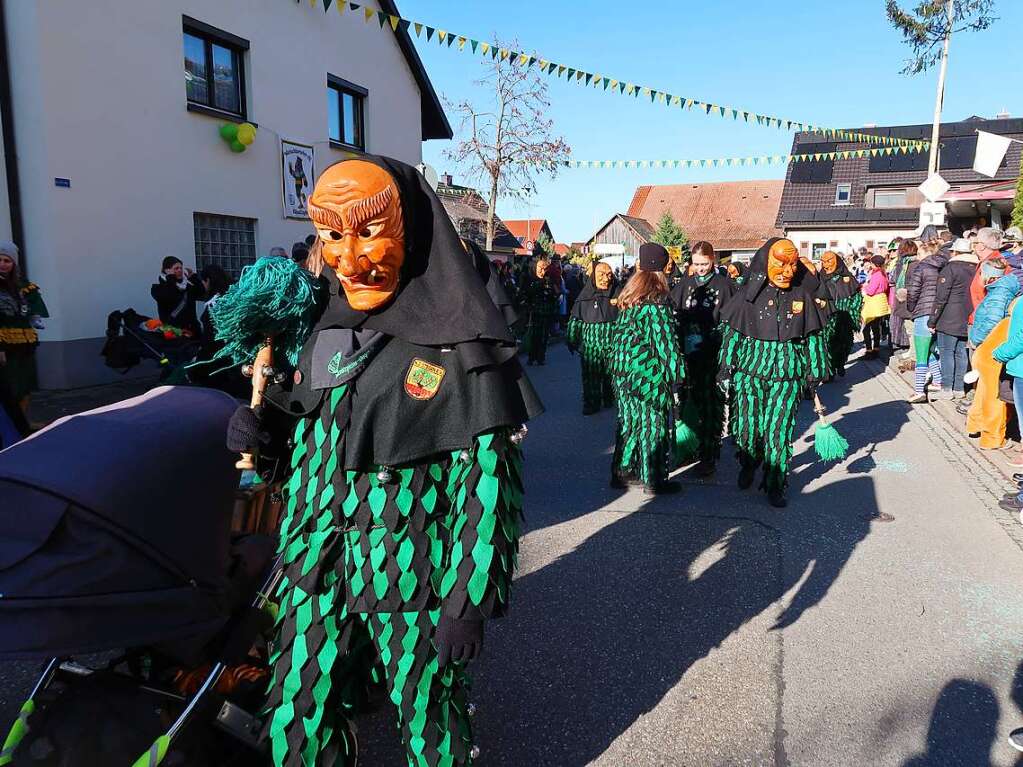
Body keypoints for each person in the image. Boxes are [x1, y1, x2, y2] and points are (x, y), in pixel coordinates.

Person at [229, 156, 543, 767]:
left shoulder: (461, 347)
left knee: (429, 721)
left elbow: (486, 490)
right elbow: (312, 444)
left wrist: (466, 603)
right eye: (330, 234)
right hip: (314, 572)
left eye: (369, 230)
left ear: (413, 231)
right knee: (296, 716)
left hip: (411, 577)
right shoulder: (324, 332)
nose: (348, 259)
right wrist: (268, 435)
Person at [719, 238, 830, 508]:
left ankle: (775, 483)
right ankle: (748, 461)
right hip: (750, 374)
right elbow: (733, 336)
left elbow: (813, 337)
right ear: (766, 263)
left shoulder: (802, 296)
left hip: (787, 376)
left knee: (778, 431)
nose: (788, 271)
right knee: (747, 429)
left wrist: (815, 372)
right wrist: (724, 369)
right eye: (781, 264)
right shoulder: (748, 297)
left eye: (793, 265)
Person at [609, 243, 685, 495]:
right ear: (663, 269)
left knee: (629, 422)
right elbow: (665, 346)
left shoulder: (630, 298)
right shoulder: (656, 303)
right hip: (646, 374)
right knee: (653, 423)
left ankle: (622, 470)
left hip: (623, 372)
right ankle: (654, 478)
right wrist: (679, 376)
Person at [671, 241, 735, 476]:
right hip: (688, 353)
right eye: (696, 264)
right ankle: (687, 447)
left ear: (713, 260)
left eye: (704, 264)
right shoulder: (685, 284)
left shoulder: (725, 286)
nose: (700, 268)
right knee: (686, 402)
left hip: (712, 354)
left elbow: (730, 322)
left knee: (710, 406)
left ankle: (708, 454)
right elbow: (673, 312)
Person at [0, 240, 48, 417]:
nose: (3, 264)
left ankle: (21, 421)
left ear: (13, 263)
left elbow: (34, 300)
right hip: (4, 343)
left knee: (23, 382)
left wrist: (35, 316)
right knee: (9, 383)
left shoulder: (22, 284)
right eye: (0, 260)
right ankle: (8, 426)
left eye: (7, 261)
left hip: (25, 341)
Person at [566, 261, 618, 415]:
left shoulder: (618, 295)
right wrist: (572, 339)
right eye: (601, 274)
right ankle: (591, 403)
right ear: (594, 277)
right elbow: (576, 319)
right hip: (591, 348)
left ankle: (609, 398)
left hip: (612, 346)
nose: (606, 278)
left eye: (609, 274)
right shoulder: (584, 298)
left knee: (611, 375)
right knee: (591, 377)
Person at [928, 238, 977, 400]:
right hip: (967, 315)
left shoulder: (950, 269)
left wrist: (932, 320)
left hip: (948, 317)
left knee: (947, 353)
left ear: (954, 252)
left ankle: (946, 388)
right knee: (961, 353)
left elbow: (941, 297)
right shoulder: (975, 267)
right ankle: (959, 388)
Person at [905, 226, 949, 403]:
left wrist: (910, 308)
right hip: (939, 313)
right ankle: (937, 381)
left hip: (923, 312)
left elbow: (913, 292)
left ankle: (919, 390)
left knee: (921, 353)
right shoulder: (944, 266)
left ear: (924, 252)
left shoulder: (921, 268)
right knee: (931, 350)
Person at [818, 250, 862, 376]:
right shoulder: (820, 278)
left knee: (844, 343)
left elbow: (856, 296)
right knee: (828, 343)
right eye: (823, 261)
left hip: (845, 317)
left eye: (829, 261)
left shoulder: (847, 277)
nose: (826, 264)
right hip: (828, 317)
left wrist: (853, 312)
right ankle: (830, 370)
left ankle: (841, 363)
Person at [518, 258, 559, 365]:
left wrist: (552, 293)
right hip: (534, 313)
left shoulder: (549, 281)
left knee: (544, 336)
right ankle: (531, 357)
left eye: (544, 269)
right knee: (534, 336)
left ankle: (541, 357)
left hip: (546, 312)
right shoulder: (529, 280)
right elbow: (525, 296)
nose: (542, 271)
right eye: (540, 268)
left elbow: (556, 294)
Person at [151, 256, 204, 336]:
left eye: (181, 268)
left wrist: (193, 278)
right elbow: (170, 296)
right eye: (176, 268)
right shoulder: (157, 288)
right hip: (173, 332)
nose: (180, 270)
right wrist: (171, 278)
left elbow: (201, 293)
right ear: (166, 270)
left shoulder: (187, 286)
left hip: (193, 330)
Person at [889, 240, 918, 359]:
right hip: (906, 300)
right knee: (910, 328)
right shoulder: (912, 263)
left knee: (912, 330)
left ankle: (913, 354)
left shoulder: (906, 264)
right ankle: (912, 351)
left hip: (908, 300)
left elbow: (894, 279)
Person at [861, 255, 891, 359]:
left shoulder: (876, 274)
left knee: (866, 327)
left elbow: (871, 290)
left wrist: (864, 287)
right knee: (876, 327)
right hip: (881, 302)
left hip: (873, 303)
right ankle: (876, 349)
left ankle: (869, 351)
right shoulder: (883, 273)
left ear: (874, 263)